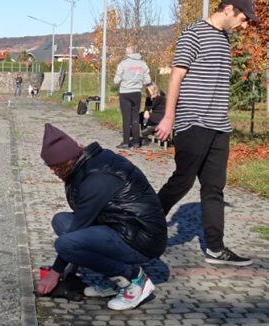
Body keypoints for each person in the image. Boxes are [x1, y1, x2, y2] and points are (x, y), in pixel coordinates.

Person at [155, 0, 259, 266]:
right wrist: (169, 117)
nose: (244, 24)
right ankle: (142, 225)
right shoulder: (194, 32)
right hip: (193, 123)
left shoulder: (224, 39)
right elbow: (176, 75)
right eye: (243, 18)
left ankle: (215, 248)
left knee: (214, 188)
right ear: (228, 9)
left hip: (219, 127)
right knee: (182, 181)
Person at [37, 123, 167, 311]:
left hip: (142, 238)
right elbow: (82, 222)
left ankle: (133, 281)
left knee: (64, 243)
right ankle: (113, 279)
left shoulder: (97, 178)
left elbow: (78, 229)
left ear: (65, 161)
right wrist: (71, 266)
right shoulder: (85, 164)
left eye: (54, 167)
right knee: (61, 221)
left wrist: (55, 272)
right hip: (120, 225)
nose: (52, 171)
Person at [114, 45, 151, 149]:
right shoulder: (143, 64)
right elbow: (148, 80)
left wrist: (123, 79)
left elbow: (116, 81)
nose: (125, 53)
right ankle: (135, 142)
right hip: (136, 93)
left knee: (126, 118)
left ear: (129, 53)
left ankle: (126, 142)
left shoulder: (123, 64)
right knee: (135, 117)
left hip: (125, 92)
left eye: (126, 51)